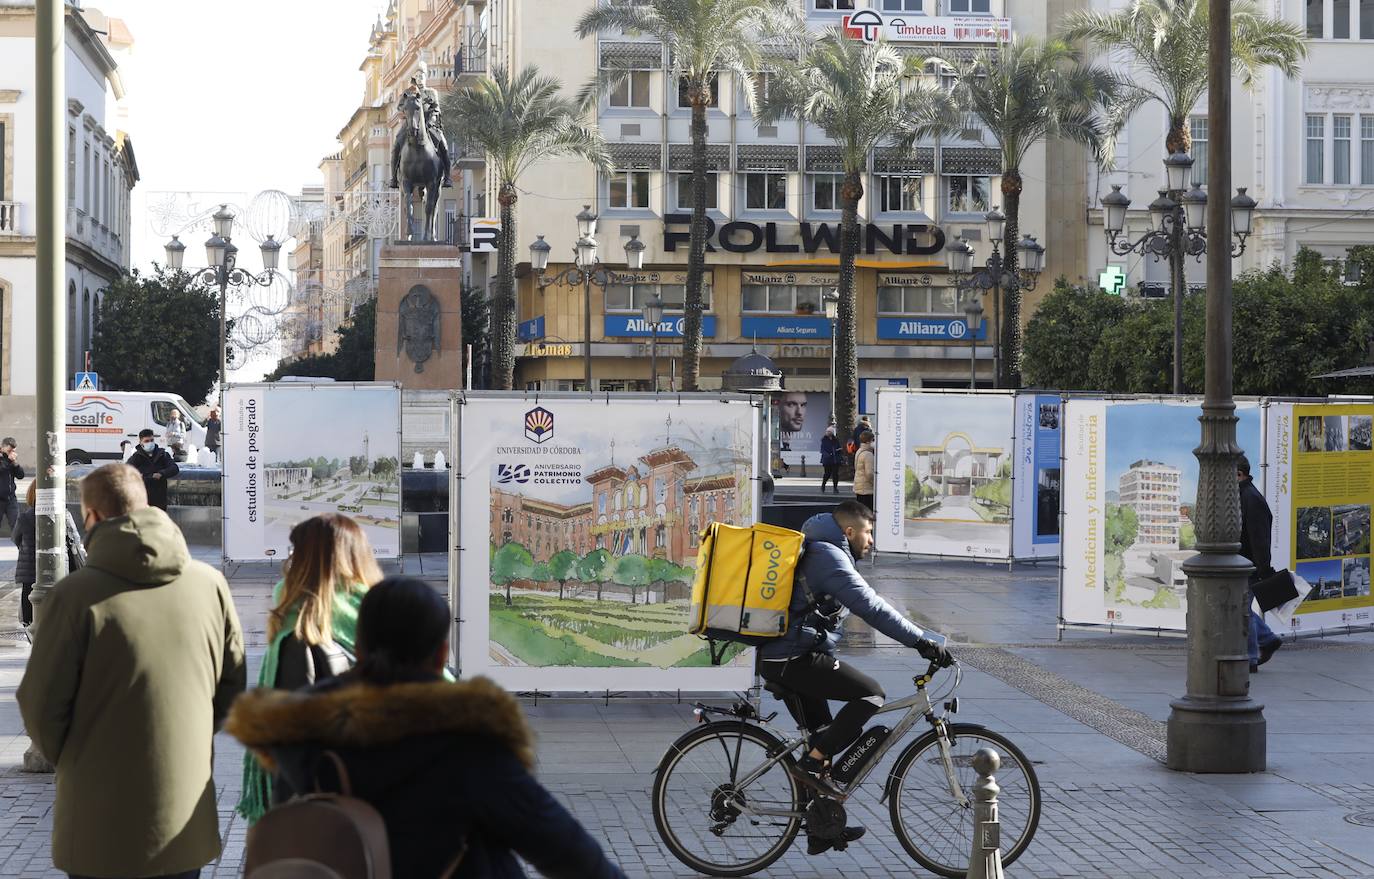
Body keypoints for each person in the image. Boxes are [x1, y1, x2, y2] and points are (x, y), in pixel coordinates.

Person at [227, 576, 627, 879]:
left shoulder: (300, 731)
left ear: (360, 649)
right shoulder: (469, 741)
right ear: (440, 654)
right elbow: (565, 850)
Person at [16, 463, 246, 879]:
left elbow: (39, 702)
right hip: (182, 817)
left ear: (92, 516)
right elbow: (231, 684)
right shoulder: (209, 584)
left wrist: (74, 757)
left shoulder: (74, 595)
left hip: (96, 820)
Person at [756, 501, 952, 855]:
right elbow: (871, 607)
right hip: (792, 660)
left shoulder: (822, 549)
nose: (871, 540)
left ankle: (821, 829)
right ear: (849, 531)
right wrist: (922, 641)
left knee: (824, 740)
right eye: (868, 532)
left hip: (785, 657)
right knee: (870, 695)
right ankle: (812, 764)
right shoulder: (828, 558)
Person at [236, 513, 384, 824]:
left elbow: (294, 750)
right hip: (375, 787)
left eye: (294, 552)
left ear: (306, 561)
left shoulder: (295, 628)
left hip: (316, 804)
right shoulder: (382, 609)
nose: (288, 560)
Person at [12, 481, 87, 627]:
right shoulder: (64, 515)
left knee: (30, 619)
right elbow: (75, 542)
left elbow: (16, 539)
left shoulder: (25, 518)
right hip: (60, 571)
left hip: (29, 576)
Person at [1239, 456, 1282, 672]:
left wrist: (1263, 569)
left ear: (1239, 474)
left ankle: (1251, 658)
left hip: (1248, 565)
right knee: (1240, 608)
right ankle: (1267, 639)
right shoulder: (1245, 494)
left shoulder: (1250, 498)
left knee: (1241, 611)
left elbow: (1260, 538)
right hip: (1245, 564)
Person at [387, 61, 453, 190]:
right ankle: (394, 178)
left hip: (429, 124)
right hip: (410, 124)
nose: (419, 79)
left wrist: (431, 119)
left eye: (421, 76)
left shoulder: (431, 92)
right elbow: (400, 106)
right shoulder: (408, 93)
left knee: (444, 145)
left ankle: (447, 176)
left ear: (426, 77)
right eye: (417, 77)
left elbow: (436, 108)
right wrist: (407, 109)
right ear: (414, 79)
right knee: (396, 146)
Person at [127, 428, 179, 510]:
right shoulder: (136, 457)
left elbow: (174, 468)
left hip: (159, 499)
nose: (150, 443)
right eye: (147, 441)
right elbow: (127, 472)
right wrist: (145, 476)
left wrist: (162, 473)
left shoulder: (162, 455)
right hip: (142, 498)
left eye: (151, 440)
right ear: (141, 443)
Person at [1, 436, 23, 538]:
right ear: (3, 447)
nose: (11, 453)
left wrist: (15, 463)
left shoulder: (11, 459)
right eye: (10, 450)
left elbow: (20, 475)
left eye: (13, 451)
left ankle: (23, 550)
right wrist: (9, 461)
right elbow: (2, 470)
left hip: (11, 499)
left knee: (17, 526)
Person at [852, 430, 875, 512]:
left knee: (861, 513)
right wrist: (875, 484)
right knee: (868, 513)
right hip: (867, 489)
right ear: (869, 441)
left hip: (859, 487)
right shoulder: (868, 454)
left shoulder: (859, 451)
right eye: (873, 440)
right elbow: (869, 473)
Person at [819, 425, 843, 494]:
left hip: (835, 460)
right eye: (827, 431)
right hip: (827, 460)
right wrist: (828, 455)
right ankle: (823, 485)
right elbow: (822, 450)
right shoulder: (824, 440)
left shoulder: (836, 440)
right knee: (827, 474)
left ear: (832, 432)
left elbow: (838, 447)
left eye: (829, 431)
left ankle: (835, 488)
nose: (827, 432)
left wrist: (839, 450)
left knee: (835, 474)